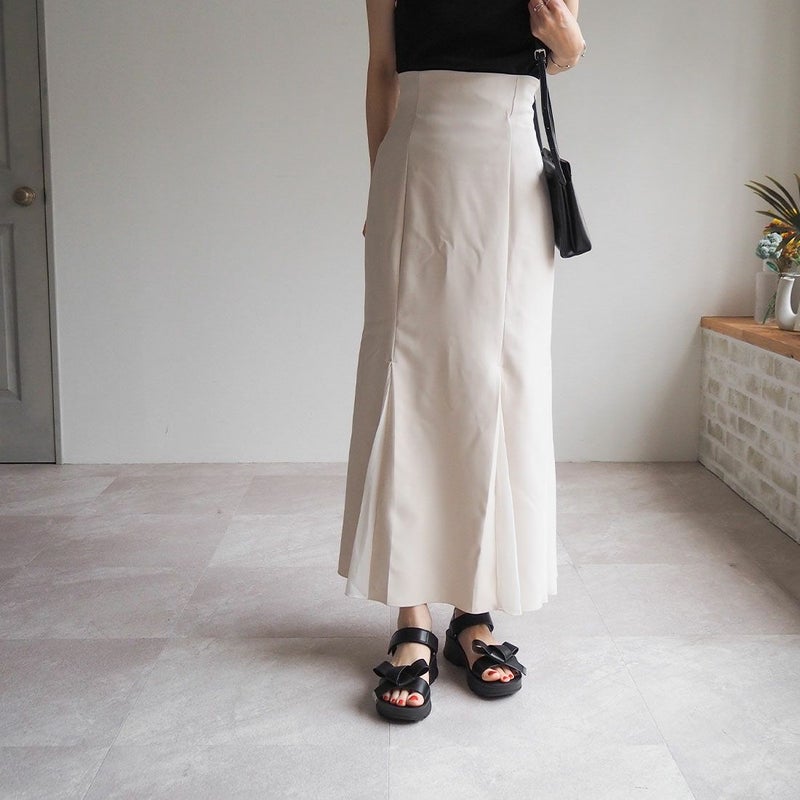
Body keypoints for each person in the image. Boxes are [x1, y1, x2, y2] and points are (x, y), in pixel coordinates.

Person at [338, 0, 586, 722]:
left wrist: (569, 47)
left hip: (511, 172)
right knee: (406, 379)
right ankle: (411, 617)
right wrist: (381, 182)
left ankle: (474, 615)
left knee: (497, 384)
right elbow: (382, 70)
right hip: (415, 165)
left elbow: (562, 56)